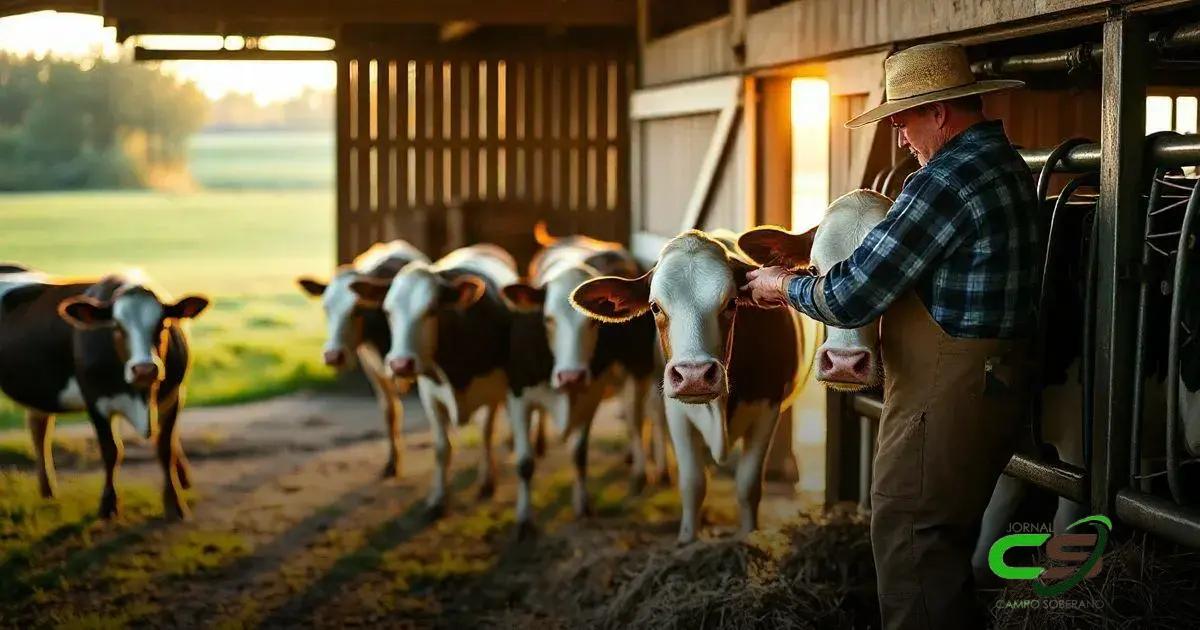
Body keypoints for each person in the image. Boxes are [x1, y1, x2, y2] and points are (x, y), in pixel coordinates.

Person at [741, 42, 1039, 629]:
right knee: (939, 536)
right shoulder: (1005, 164)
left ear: (940, 112)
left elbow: (853, 293)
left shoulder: (948, 179)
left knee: (911, 533)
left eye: (903, 119)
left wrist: (782, 285)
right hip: (991, 378)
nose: (900, 136)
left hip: (947, 387)